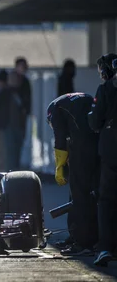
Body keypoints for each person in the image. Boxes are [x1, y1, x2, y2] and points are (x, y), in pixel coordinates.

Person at [47, 92, 99, 256]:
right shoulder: (80, 98)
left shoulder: (54, 111)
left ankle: (82, 242)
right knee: (92, 193)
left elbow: (60, 139)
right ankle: (79, 235)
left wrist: (59, 167)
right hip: (100, 146)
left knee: (79, 195)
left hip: (82, 149)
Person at [88, 54, 117, 267]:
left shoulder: (106, 89)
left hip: (111, 149)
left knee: (106, 199)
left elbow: (95, 121)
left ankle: (105, 247)